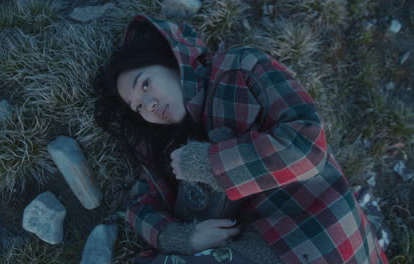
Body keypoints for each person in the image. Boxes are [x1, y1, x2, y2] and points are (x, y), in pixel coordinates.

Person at [94, 15, 388, 264]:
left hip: (314, 232)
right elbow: (138, 207)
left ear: (172, 61)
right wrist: (186, 237)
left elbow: (307, 145)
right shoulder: (166, 145)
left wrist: (209, 164)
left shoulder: (239, 68)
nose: (149, 105)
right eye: (138, 107)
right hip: (250, 244)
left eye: (145, 84)